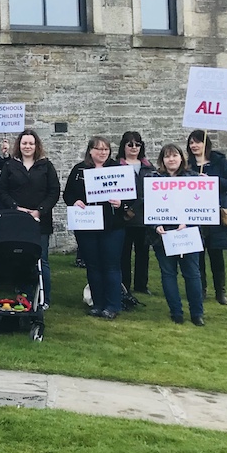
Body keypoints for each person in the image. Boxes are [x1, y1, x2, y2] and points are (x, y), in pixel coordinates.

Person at [63, 136, 126, 319]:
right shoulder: (79, 170)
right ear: (90, 150)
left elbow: (130, 196)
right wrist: (75, 202)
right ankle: (97, 303)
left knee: (111, 265)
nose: (102, 152)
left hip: (112, 225)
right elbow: (68, 194)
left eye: (106, 149)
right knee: (93, 265)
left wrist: (120, 203)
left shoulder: (117, 169)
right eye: (98, 149)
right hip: (87, 224)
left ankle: (113, 305)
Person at [0, 129, 60, 306]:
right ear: (19, 145)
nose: (27, 146)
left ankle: (44, 298)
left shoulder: (46, 166)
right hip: (17, 220)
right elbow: (2, 190)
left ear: (36, 145)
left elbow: (54, 191)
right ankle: (24, 295)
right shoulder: (10, 166)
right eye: (24, 143)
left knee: (42, 260)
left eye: (31, 143)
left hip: (40, 221)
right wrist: (16, 208)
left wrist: (40, 210)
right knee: (21, 258)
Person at [148, 144, 206, 326]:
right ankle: (176, 312)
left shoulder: (194, 178)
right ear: (162, 160)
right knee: (168, 273)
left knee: (192, 274)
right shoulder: (153, 178)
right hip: (163, 234)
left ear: (181, 158)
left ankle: (197, 314)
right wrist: (156, 224)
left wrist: (188, 221)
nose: (171, 159)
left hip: (187, 232)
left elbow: (203, 206)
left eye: (174, 155)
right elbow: (147, 205)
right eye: (167, 156)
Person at [186, 129, 227, 305]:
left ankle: (220, 291)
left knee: (216, 254)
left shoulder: (219, 161)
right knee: (198, 254)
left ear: (206, 143)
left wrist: (211, 181)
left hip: (216, 213)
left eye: (197, 142)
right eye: (191, 142)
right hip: (194, 213)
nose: (194, 145)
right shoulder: (187, 164)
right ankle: (202, 288)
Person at [116, 130, 155, 296]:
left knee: (143, 253)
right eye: (130, 144)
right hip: (124, 216)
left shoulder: (148, 167)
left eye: (137, 144)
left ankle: (141, 285)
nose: (134, 147)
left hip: (144, 216)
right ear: (124, 146)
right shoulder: (116, 166)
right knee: (124, 253)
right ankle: (125, 284)